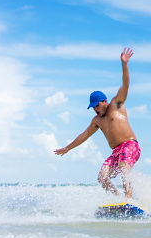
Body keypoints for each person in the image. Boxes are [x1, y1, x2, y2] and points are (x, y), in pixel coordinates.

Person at [54, 48, 140, 199]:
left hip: (129, 145)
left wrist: (124, 64)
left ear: (105, 102)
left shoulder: (116, 104)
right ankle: (118, 199)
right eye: (92, 106)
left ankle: (129, 200)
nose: (95, 109)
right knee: (102, 177)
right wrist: (67, 148)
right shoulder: (97, 121)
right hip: (116, 151)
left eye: (97, 105)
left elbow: (125, 85)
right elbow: (83, 136)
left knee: (123, 169)